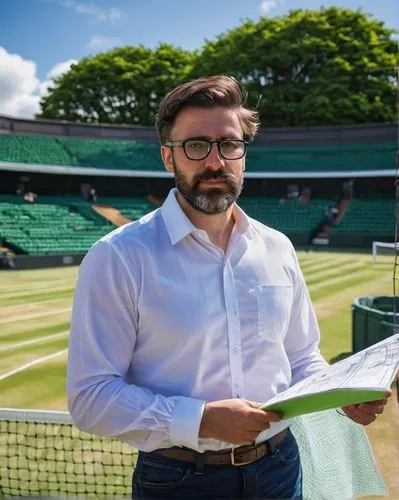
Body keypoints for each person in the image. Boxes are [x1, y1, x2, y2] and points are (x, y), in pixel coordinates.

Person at [67, 75, 391, 499]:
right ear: (169, 157)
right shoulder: (119, 256)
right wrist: (199, 419)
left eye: (229, 145)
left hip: (280, 468)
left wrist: (339, 394)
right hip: (180, 480)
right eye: (196, 146)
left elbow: (301, 356)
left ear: (243, 154)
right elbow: (90, 398)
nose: (215, 161)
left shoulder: (277, 247)